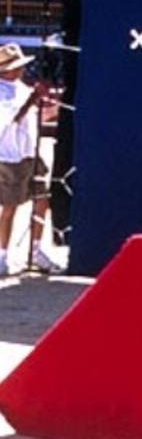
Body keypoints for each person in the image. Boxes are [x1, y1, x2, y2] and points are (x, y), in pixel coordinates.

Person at [0, 43, 62, 276]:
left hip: (30, 152)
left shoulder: (21, 88)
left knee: (42, 199)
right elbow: (14, 117)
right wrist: (35, 97)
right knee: (10, 206)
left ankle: (37, 249)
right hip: (10, 156)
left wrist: (40, 99)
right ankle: (2, 254)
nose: (21, 70)